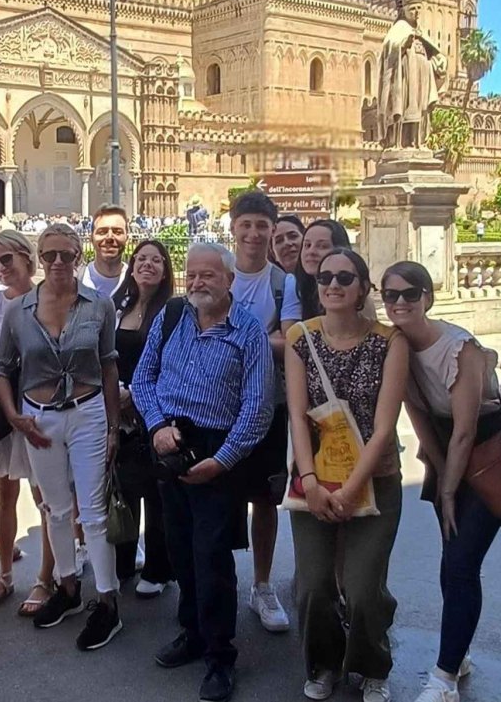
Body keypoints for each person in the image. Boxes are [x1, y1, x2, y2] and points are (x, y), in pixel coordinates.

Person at [132, 243, 273, 702]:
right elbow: (142, 379)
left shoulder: (247, 331)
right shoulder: (172, 317)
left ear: (229, 280)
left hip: (217, 449)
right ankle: (191, 632)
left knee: (212, 556)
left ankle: (219, 655)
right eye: (191, 274)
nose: (197, 283)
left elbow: (257, 407)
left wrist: (223, 460)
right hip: (170, 442)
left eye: (208, 275)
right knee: (179, 550)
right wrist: (155, 428)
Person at [285, 247, 408, 702]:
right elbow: (298, 416)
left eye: (344, 277)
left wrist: (353, 488)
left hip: (374, 478)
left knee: (361, 588)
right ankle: (322, 663)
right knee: (314, 584)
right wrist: (312, 482)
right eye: (324, 278)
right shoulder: (302, 337)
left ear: (362, 288)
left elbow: (383, 428)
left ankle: (371, 665)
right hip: (314, 476)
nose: (333, 285)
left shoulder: (389, 342)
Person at [0, 224, 123, 651]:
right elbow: (2, 369)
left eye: (68, 255)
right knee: (55, 509)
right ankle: (67, 588)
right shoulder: (18, 310)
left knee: (94, 511)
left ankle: (107, 601)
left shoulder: (99, 306)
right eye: (51, 255)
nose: (60, 263)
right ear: (40, 258)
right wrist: (14, 416)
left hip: (86, 415)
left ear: (78, 257)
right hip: (39, 419)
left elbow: (108, 366)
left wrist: (111, 425)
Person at [381, 261, 501, 702]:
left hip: (487, 450)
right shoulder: (397, 346)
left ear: (427, 298)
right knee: (452, 559)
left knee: (462, 562)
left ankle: (444, 677)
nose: (399, 303)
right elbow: (416, 413)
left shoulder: (457, 347)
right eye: (390, 294)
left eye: (409, 294)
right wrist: (439, 477)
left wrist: (450, 490)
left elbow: (468, 428)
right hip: (444, 450)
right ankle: (459, 650)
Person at [221, 190, 292, 633]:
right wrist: (261, 338)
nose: (252, 233)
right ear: (233, 228)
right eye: (245, 224)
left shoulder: (282, 283)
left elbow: (292, 339)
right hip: (216, 406)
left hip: (268, 404)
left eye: (261, 225)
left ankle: (262, 586)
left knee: (266, 499)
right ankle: (220, 583)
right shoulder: (216, 274)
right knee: (220, 497)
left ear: (271, 230)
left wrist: (239, 340)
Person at [0, 229, 52, 615]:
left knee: (45, 497)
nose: (2, 268)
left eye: (7, 259)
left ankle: (46, 577)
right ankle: (3, 573)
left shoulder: (47, 297)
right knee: (3, 494)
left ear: (25, 257)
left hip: (36, 406)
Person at [109, 238, 175, 596]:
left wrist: (135, 394)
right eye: (141, 259)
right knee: (125, 488)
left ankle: (158, 568)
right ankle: (122, 560)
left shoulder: (173, 311)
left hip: (154, 408)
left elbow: (172, 362)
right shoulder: (117, 306)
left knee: (157, 492)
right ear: (132, 266)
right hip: (118, 411)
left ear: (165, 270)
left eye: (156, 260)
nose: (147, 264)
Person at [281, 219, 354, 331]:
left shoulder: (353, 291)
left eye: (322, 246)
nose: (311, 251)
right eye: (307, 245)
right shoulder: (297, 285)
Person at [81, 205, 129, 298]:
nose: (109, 237)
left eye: (117, 232)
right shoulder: (76, 282)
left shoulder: (137, 283)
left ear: (127, 238)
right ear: (91, 238)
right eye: (102, 232)